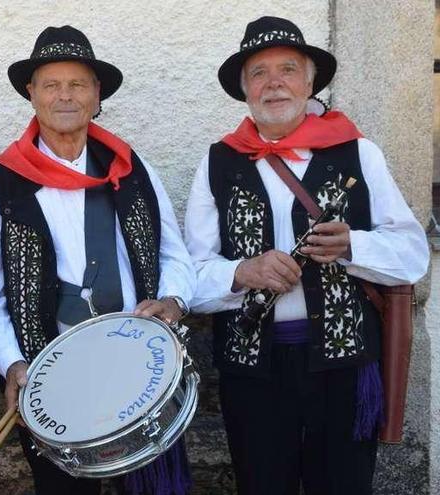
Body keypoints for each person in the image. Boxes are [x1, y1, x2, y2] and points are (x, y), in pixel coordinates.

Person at [184, 16, 429, 495]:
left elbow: (412, 253)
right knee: (262, 484)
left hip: (344, 367)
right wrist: (241, 272)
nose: (274, 83)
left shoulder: (359, 152)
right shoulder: (219, 161)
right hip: (252, 368)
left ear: (311, 81)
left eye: (288, 69)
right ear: (244, 88)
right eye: (259, 72)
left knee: (342, 484)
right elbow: (191, 275)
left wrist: (353, 245)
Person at [0, 25, 196, 495]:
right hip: (52, 379)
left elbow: (174, 254)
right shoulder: (1, 182)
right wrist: (12, 364)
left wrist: (173, 301)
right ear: (32, 95)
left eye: (78, 84)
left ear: (96, 95)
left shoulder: (132, 168)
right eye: (51, 85)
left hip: (140, 367)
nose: (64, 96)